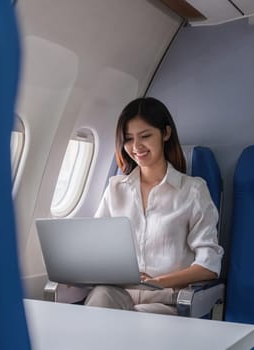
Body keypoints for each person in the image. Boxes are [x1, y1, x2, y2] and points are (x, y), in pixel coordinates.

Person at [84, 97, 223, 315]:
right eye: (128, 139)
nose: (136, 146)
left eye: (145, 136)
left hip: (165, 299)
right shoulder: (115, 188)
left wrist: (159, 281)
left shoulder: (193, 191)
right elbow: (94, 247)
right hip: (120, 294)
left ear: (165, 133)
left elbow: (209, 266)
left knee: (136, 318)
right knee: (100, 297)